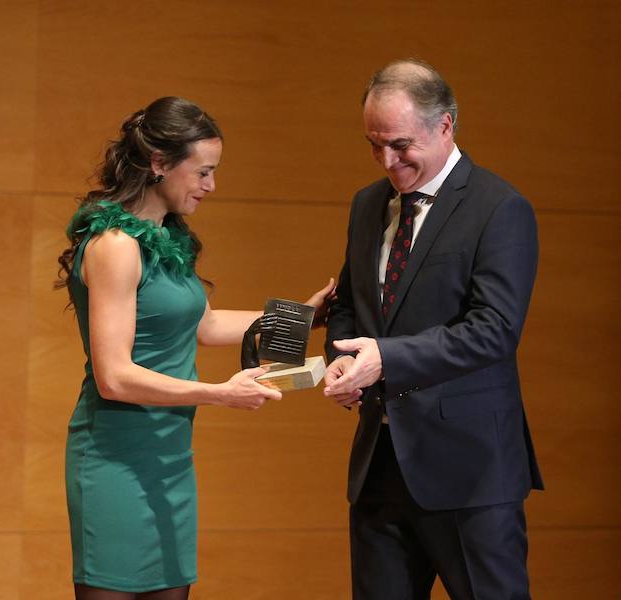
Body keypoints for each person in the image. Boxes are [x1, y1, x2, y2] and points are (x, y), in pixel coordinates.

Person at [55, 96, 334, 600]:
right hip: (117, 458)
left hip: (170, 455)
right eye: (203, 172)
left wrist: (302, 318)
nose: (211, 186)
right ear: (159, 164)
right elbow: (113, 377)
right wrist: (219, 393)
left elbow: (204, 324)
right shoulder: (117, 245)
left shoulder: (166, 238)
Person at [323, 60, 544, 599]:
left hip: (470, 471)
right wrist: (344, 357)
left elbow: (493, 330)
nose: (387, 161)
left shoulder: (499, 208)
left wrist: (385, 358)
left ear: (445, 125)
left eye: (400, 145)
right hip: (380, 467)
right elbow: (352, 305)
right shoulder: (367, 203)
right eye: (374, 145)